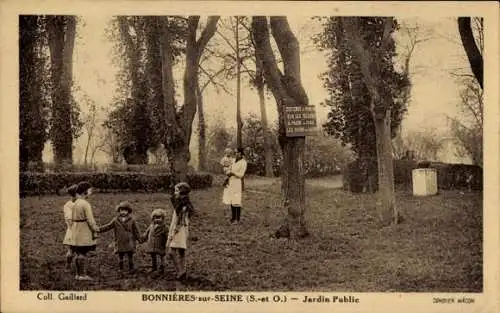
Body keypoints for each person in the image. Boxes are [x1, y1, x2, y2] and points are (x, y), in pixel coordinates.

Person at [99, 201, 141, 274]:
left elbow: (136, 231)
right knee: (120, 256)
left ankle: (131, 269)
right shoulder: (115, 220)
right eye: (122, 210)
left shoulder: (132, 220)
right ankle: (121, 269)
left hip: (129, 241)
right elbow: (108, 226)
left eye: (125, 210)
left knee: (130, 256)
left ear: (128, 211)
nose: (123, 212)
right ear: (119, 210)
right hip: (120, 241)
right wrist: (98, 229)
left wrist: (140, 238)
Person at [69, 181, 100, 281]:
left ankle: (78, 274)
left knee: (78, 253)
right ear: (85, 191)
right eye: (90, 191)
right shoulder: (85, 204)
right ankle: (82, 275)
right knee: (83, 253)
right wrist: (95, 229)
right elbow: (90, 220)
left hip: (75, 229)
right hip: (83, 229)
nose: (91, 193)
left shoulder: (75, 203)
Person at [167, 182, 195, 281]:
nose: (175, 193)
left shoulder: (183, 207)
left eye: (176, 191)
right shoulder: (182, 203)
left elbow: (180, 221)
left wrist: (173, 232)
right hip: (182, 229)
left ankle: (179, 271)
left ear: (182, 193)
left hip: (179, 230)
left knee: (171, 252)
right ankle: (183, 271)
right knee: (181, 251)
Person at [223, 147, 248, 223]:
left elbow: (241, 174)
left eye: (237, 152)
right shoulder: (234, 161)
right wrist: (227, 172)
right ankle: (233, 217)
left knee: (237, 200)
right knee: (231, 200)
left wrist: (233, 173)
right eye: (235, 152)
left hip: (237, 182)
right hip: (231, 181)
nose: (235, 154)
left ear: (241, 153)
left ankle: (237, 219)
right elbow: (229, 169)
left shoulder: (243, 162)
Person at [141, 208, 168, 275]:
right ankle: (154, 267)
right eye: (155, 218)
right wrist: (143, 238)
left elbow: (167, 236)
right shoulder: (151, 226)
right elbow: (146, 233)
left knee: (162, 255)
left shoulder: (164, 227)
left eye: (159, 218)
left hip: (160, 244)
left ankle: (162, 268)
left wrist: (167, 243)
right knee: (153, 256)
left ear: (163, 218)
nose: (156, 220)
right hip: (152, 244)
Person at [63, 184, 78, 269]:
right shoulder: (68, 205)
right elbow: (68, 218)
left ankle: (76, 266)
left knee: (76, 250)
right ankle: (68, 265)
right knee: (72, 250)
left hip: (76, 229)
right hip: (73, 230)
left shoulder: (76, 204)